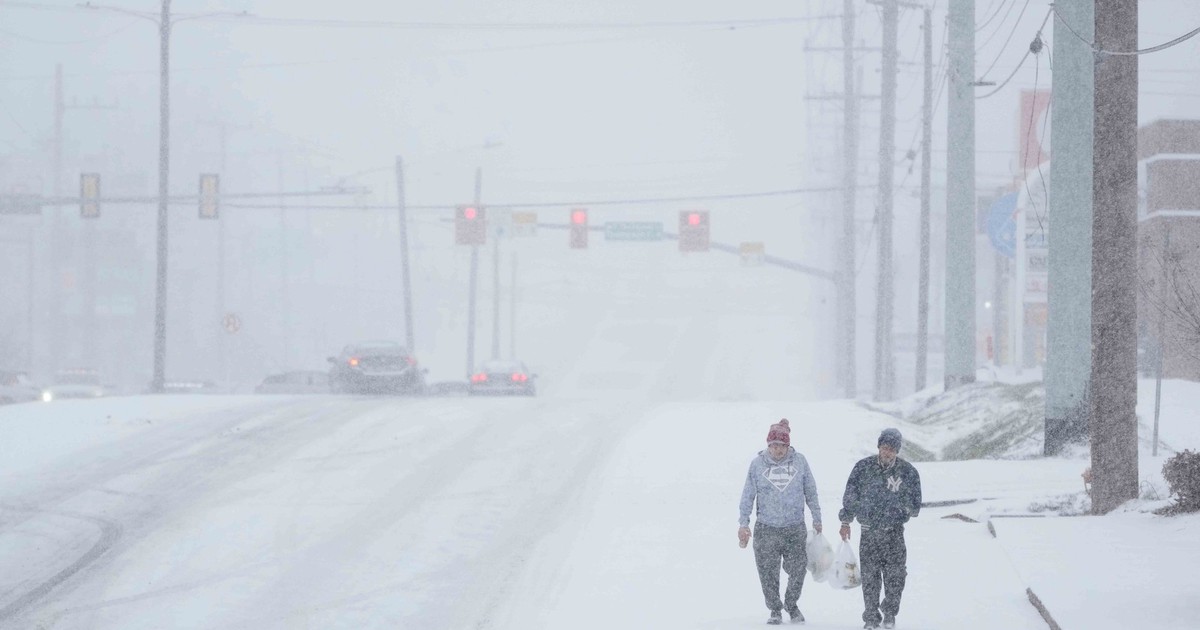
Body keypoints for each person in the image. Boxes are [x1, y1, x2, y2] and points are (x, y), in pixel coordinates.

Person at [738, 418, 823, 625]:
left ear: (788, 445)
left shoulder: (800, 462)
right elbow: (748, 494)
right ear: (768, 445)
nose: (778, 450)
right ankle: (775, 609)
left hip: (794, 527)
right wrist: (743, 523)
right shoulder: (757, 464)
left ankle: (791, 604)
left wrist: (817, 517)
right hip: (766, 528)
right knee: (767, 572)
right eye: (774, 445)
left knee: (798, 568)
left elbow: (810, 490)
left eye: (782, 446)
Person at [838, 428, 922, 630]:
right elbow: (850, 497)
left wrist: (899, 506)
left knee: (897, 576)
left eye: (892, 449)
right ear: (879, 447)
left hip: (894, 533)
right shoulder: (863, 468)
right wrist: (845, 521)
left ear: (897, 450)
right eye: (885, 447)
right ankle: (871, 618)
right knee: (870, 577)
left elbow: (915, 505)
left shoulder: (908, 472)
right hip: (869, 533)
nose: (888, 452)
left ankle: (890, 612)